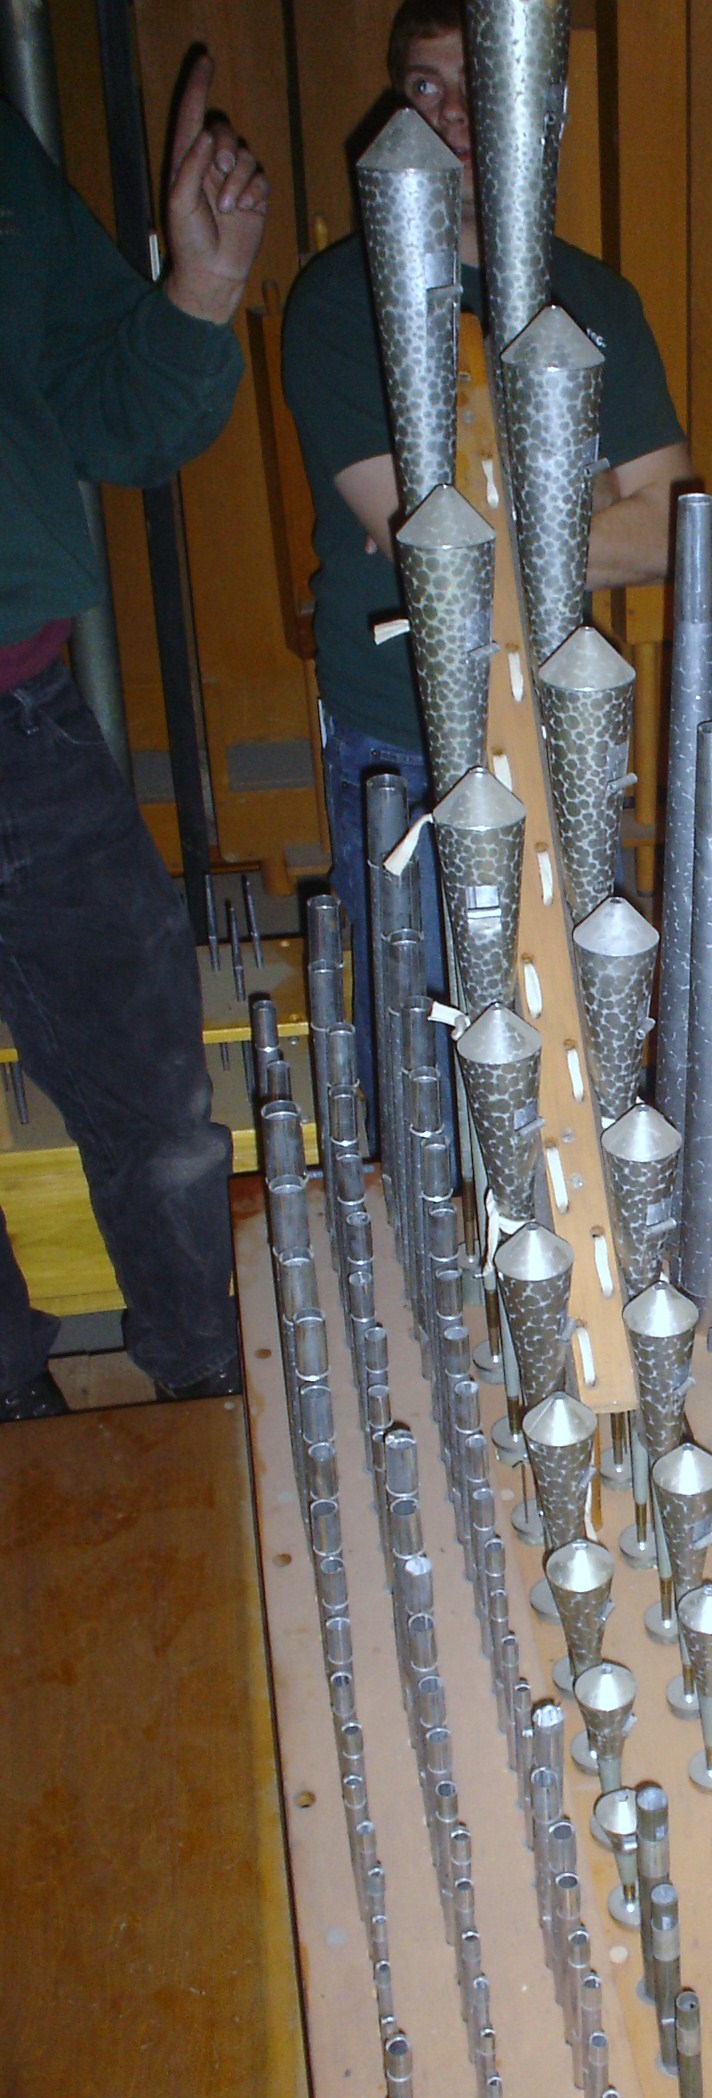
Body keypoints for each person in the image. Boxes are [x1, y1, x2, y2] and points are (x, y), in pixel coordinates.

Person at [282, 0, 691, 1122]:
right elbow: (426, 541)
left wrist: (504, 509)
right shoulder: (339, 300)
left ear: (539, 107)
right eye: (428, 87)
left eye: (480, 84)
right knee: (421, 1066)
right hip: (405, 734)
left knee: (571, 1054)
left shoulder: (596, 297)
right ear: (395, 107)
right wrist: (584, 497)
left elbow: (672, 528)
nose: (456, 113)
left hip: (563, 731)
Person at [0, 58, 268, 1420]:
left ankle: (210, 1398)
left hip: (22, 719)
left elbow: (109, 411)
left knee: (156, 1097)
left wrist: (199, 293)